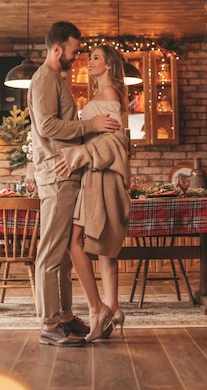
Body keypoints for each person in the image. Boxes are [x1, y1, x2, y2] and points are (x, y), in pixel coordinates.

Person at [27, 22, 121, 347]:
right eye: (74, 50)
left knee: (65, 253)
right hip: (56, 176)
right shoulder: (43, 79)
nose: (77, 55)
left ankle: (65, 316)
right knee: (51, 252)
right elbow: (47, 125)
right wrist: (89, 124)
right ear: (57, 49)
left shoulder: (56, 79)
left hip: (66, 175)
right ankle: (49, 325)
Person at [54, 44, 131, 342]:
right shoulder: (102, 96)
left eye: (96, 58)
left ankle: (97, 309)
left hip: (100, 177)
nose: (89, 63)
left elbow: (116, 143)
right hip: (96, 176)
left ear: (109, 65)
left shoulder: (108, 95)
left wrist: (77, 154)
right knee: (104, 246)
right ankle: (112, 308)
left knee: (76, 242)